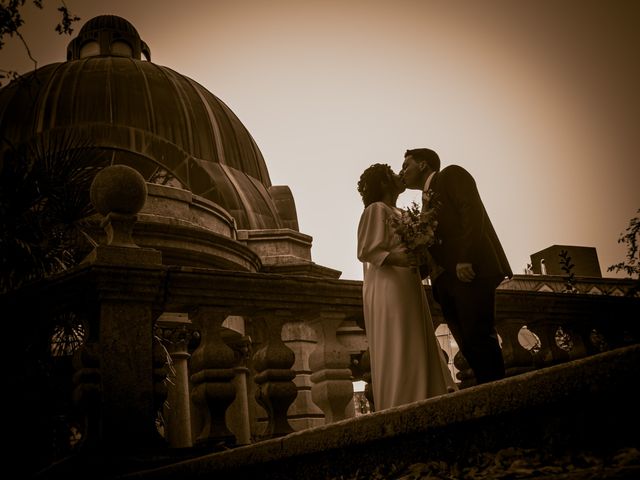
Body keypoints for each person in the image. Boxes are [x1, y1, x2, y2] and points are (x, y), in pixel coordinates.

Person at [400, 148, 513, 385]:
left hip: (471, 272)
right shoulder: (424, 201)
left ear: (423, 165)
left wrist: (465, 258)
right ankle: (489, 389)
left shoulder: (451, 175)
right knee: (467, 343)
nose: (402, 172)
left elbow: (472, 213)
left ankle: (500, 391)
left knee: (480, 336)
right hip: (447, 283)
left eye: (406, 166)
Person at [357, 163, 457, 411]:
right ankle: (403, 398)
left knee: (415, 333)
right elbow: (366, 250)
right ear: (382, 183)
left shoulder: (401, 212)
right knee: (399, 335)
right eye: (392, 173)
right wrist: (398, 258)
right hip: (389, 283)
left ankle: (425, 392)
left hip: (408, 281)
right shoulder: (375, 209)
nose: (398, 175)